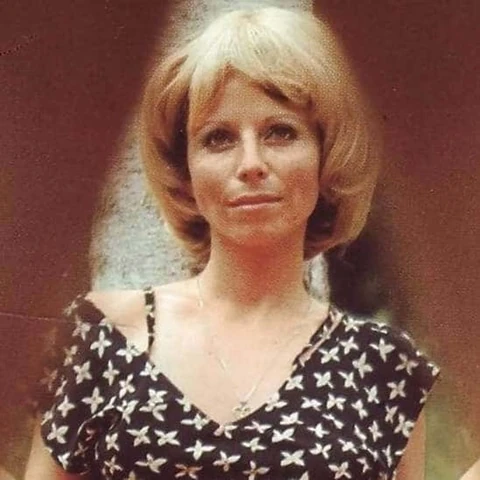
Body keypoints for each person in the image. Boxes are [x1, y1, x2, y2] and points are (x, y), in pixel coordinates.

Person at [25, 7, 439, 480]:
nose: (251, 164)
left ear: (326, 156)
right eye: (218, 139)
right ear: (185, 171)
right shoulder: (100, 334)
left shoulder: (385, 366)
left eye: (280, 132)